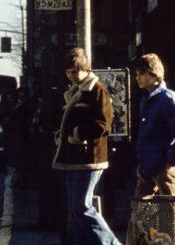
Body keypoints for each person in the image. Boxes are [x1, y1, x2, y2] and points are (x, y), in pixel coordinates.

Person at [52, 47, 120, 245]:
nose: (72, 75)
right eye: (68, 72)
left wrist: (77, 135)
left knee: (82, 206)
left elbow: (104, 123)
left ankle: (111, 243)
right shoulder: (76, 91)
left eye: (75, 71)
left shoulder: (97, 89)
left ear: (86, 68)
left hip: (90, 156)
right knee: (76, 207)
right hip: (75, 156)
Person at [134, 53, 175, 197]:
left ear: (154, 74)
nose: (137, 78)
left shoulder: (169, 99)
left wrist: (170, 163)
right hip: (148, 165)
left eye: (141, 74)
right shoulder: (147, 99)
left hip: (162, 166)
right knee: (141, 212)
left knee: (172, 214)